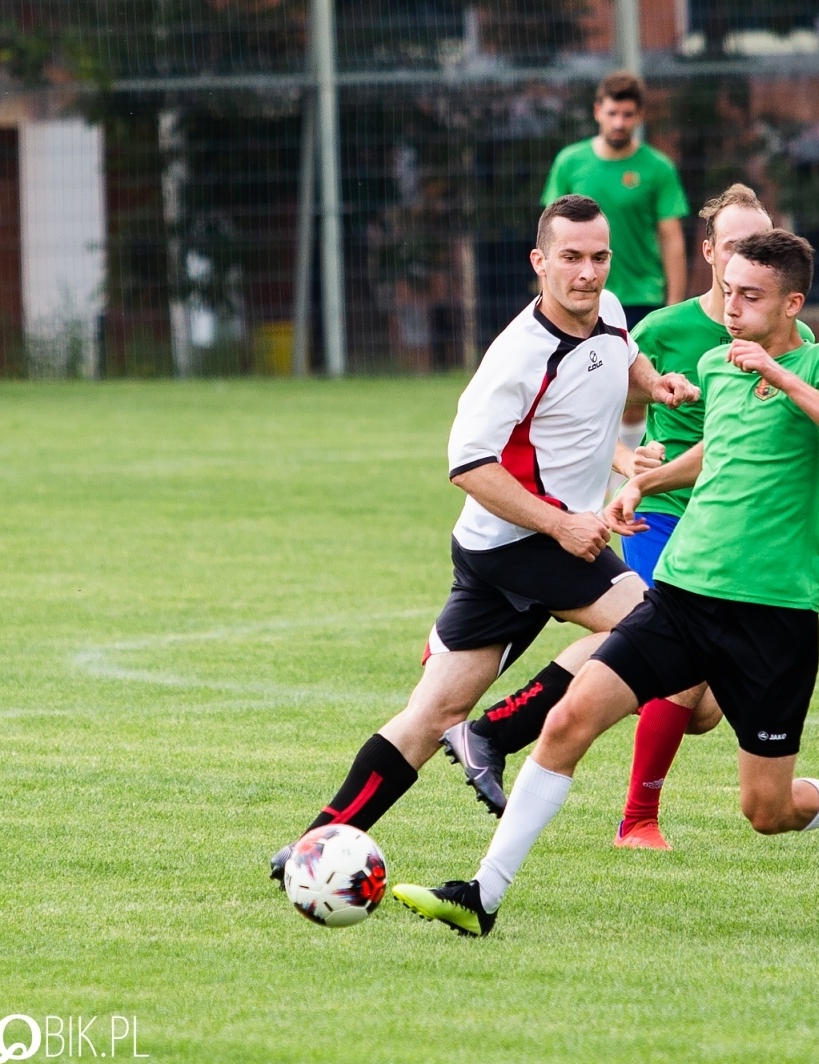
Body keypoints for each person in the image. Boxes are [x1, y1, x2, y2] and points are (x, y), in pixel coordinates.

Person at [391, 229, 819, 937]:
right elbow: (720, 447)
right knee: (569, 719)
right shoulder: (720, 366)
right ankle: (482, 894)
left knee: (766, 809)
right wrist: (646, 480)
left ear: (793, 303)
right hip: (683, 595)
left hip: (772, 615)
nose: (732, 308)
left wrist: (784, 377)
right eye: (728, 290)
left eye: (751, 297)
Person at [269, 195, 697, 881]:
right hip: (521, 542)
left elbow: (626, 356)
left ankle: (313, 843)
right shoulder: (518, 356)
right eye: (571, 258)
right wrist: (563, 522)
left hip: (520, 545)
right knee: (653, 625)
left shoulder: (610, 308)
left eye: (598, 257)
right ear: (539, 262)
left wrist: (657, 385)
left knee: (430, 710)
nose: (587, 273)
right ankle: (493, 735)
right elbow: (467, 464)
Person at [610, 182, 817, 851]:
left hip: (743, 540)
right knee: (684, 671)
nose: (744, 262)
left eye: (758, 246)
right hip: (664, 518)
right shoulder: (663, 331)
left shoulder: (795, 339)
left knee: (698, 707)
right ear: (708, 252)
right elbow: (599, 419)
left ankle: (613, 664)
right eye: (733, 246)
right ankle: (637, 819)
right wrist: (633, 469)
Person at [542, 72, 691, 480]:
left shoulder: (657, 168)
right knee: (580, 386)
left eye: (628, 114)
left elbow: (671, 237)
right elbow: (552, 234)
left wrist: (673, 306)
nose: (620, 122)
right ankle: (596, 475)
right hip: (581, 296)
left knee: (632, 393)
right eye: (612, 113)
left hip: (640, 294)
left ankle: (623, 480)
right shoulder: (570, 162)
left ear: (639, 115)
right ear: (597, 112)